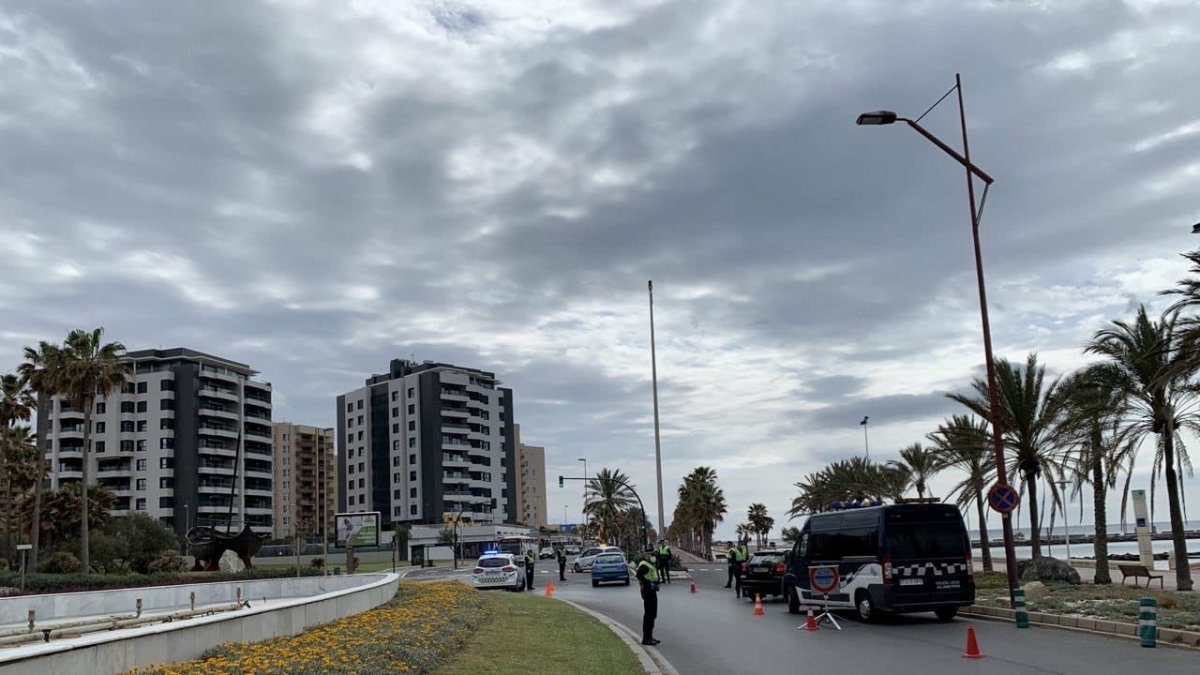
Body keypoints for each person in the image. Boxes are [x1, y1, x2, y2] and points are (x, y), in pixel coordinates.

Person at [636, 547, 661, 646]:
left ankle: (650, 636)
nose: (653, 556)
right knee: (649, 616)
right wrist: (649, 584)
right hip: (648, 592)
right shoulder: (644, 565)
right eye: (651, 554)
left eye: (653, 554)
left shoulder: (650, 564)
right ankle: (646, 638)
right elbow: (639, 575)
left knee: (652, 615)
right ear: (646, 555)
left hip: (652, 592)